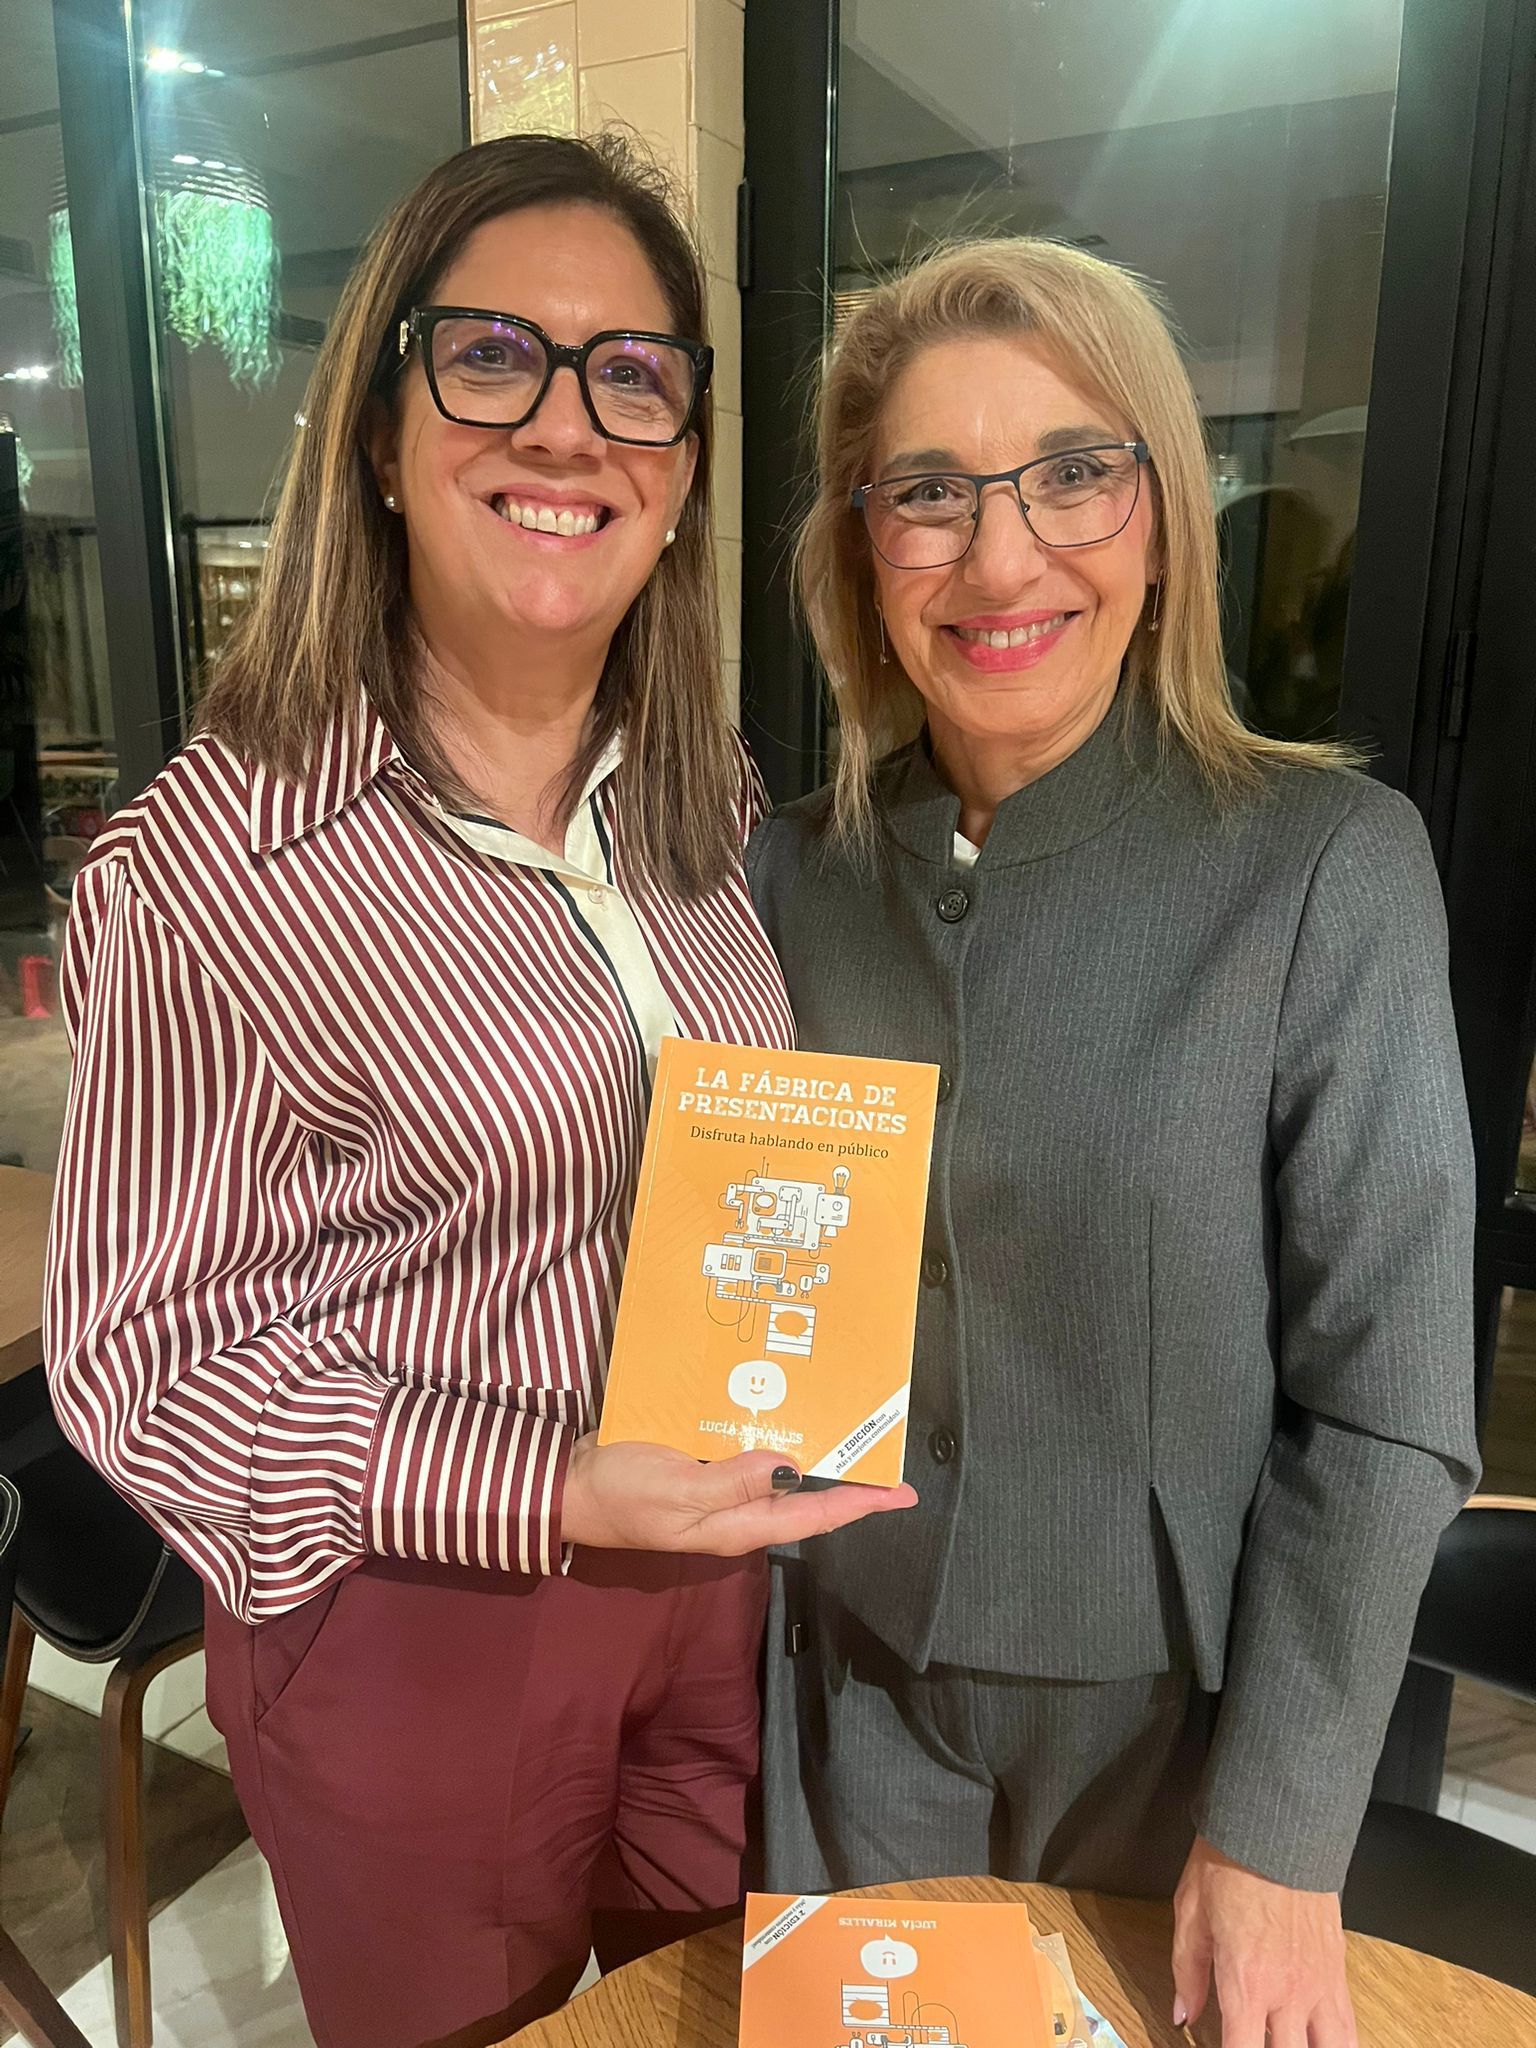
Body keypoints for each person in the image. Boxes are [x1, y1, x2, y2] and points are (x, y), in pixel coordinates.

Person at [44, 132, 911, 2048]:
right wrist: (545, 1483)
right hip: (423, 1627)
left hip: (715, 1599)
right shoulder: (212, 865)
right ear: (378, 429)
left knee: (710, 2024)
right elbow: (150, 1363)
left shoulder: (700, 808)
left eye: (634, 377)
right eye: (494, 356)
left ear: (682, 475)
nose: (569, 425)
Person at [746, 237, 1479, 2048]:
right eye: (930, 492)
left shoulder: (1325, 866)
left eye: (1075, 470)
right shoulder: (790, 876)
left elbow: (1388, 1398)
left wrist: (1289, 1829)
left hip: (1177, 1735)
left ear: (1160, 514)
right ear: (861, 544)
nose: (1004, 556)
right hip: (843, 1698)